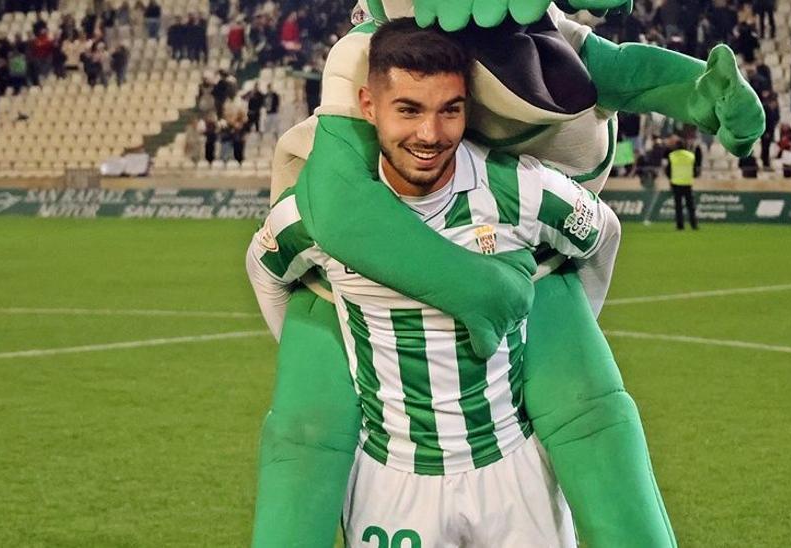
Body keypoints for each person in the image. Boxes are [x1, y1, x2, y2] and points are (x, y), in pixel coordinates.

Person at [246, 21, 625, 545]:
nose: (430, 133)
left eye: (450, 109)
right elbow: (265, 271)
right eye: (409, 110)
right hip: (393, 478)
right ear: (368, 105)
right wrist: (322, 350)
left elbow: (600, 236)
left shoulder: (521, 188)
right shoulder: (315, 216)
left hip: (514, 469)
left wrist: (561, 334)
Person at [664, 134, 700, 230]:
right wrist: (693, 176)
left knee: (678, 206)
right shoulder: (691, 156)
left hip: (676, 183)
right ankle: (694, 224)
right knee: (690, 206)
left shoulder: (672, 156)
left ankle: (680, 225)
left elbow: (668, 170)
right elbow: (695, 170)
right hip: (687, 183)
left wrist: (670, 178)